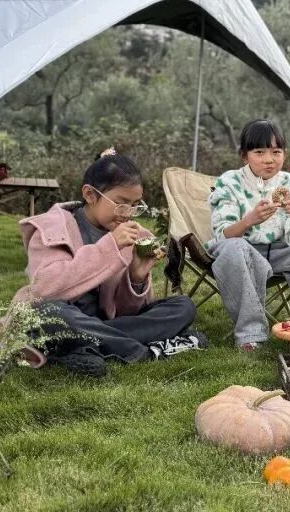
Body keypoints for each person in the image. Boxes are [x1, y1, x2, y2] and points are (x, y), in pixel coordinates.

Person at [15, 149, 201, 377]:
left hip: (104, 322)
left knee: (183, 306)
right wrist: (110, 247)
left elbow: (128, 313)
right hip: (64, 316)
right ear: (90, 194)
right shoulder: (51, 228)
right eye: (121, 203)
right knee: (50, 313)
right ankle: (145, 352)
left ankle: (83, 348)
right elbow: (45, 289)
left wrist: (137, 278)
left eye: (135, 205)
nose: (128, 213)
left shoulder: (134, 234)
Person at [208, 119, 290, 351]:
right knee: (234, 246)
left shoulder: (289, 183)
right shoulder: (229, 182)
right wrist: (250, 220)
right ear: (244, 156)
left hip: (279, 253)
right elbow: (222, 234)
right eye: (259, 152)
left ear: (285, 154)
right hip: (240, 253)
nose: (269, 159)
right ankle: (251, 334)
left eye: (276, 152)